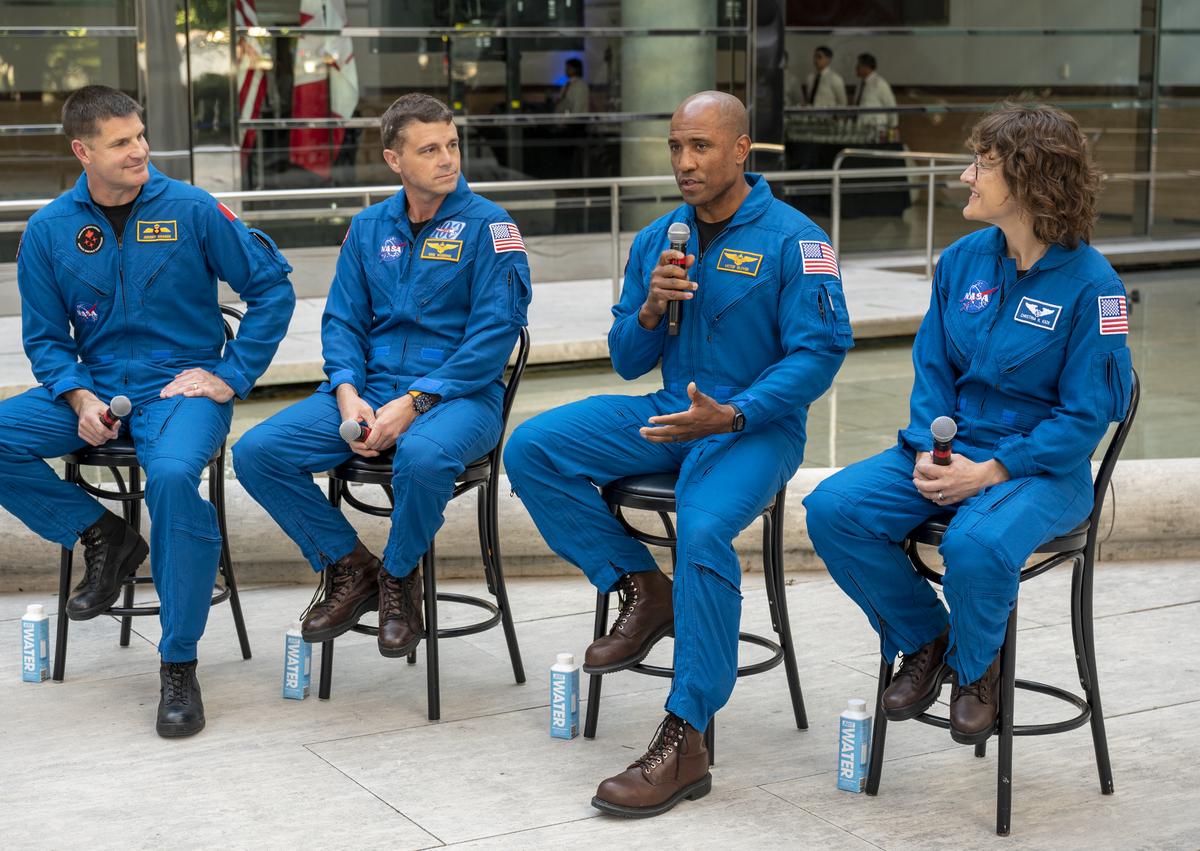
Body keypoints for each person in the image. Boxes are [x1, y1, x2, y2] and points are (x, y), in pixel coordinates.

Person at [506, 91, 852, 818]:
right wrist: (651, 308)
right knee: (534, 447)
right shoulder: (661, 236)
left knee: (700, 528)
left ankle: (686, 734)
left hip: (751, 424)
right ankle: (642, 584)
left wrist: (733, 413)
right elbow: (628, 359)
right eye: (676, 148)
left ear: (740, 150)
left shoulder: (796, 241)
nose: (685, 163)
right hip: (670, 412)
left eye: (701, 147)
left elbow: (819, 356)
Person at [0, 85, 296, 738]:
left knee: (169, 478)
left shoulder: (193, 208)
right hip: (97, 388)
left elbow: (272, 286)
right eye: (121, 141)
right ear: (83, 150)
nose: (140, 149)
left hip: (179, 395)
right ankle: (103, 534)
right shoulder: (50, 229)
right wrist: (77, 396)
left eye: (140, 135)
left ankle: (178, 662)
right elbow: (46, 339)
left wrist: (231, 373)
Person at [804, 103, 1133, 746]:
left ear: (1030, 179)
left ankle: (977, 668)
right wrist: (936, 448)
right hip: (955, 447)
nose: (965, 176)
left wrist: (992, 471)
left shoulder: (1097, 288)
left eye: (982, 164)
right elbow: (932, 369)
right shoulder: (961, 261)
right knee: (834, 510)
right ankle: (927, 638)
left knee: (974, 546)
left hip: (1042, 467)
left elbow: (1084, 419)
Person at [233, 93, 531, 659]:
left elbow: (493, 340)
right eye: (429, 149)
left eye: (452, 145)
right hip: (367, 389)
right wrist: (347, 393)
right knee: (256, 452)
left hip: (459, 396)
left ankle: (398, 579)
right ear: (394, 160)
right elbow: (342, 320)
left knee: (421, 456)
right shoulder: (369, 227)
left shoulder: (492, 227)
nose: (447, 159)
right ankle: (351, 567)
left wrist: (415, 402)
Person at [853, 53, 898, 141]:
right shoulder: (860, 84)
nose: (856, 68)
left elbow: (891, 106)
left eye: (858, 65)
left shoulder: (879, 83)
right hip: (861, 129)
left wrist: (893, 126)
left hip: (876, 130)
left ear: (866, 67)